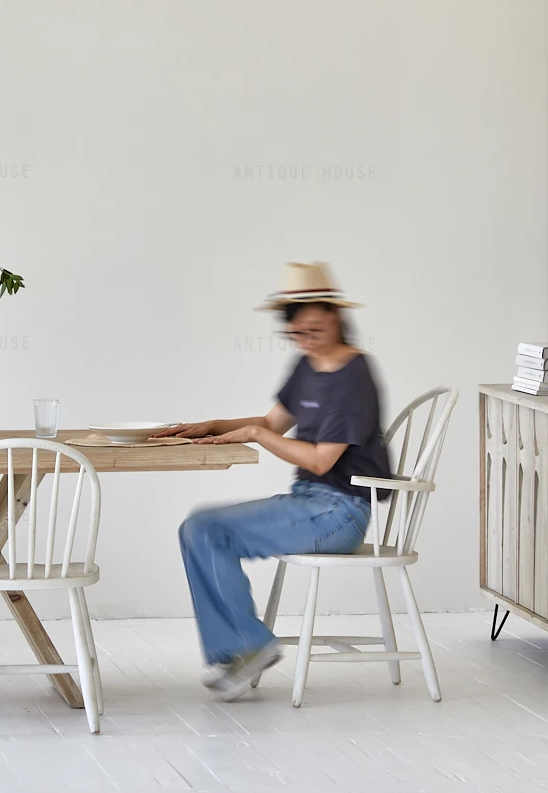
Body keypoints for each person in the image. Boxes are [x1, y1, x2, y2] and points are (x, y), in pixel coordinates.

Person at [159, 262, 390, 701]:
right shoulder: (307, 366)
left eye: (315, 330)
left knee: (206, 529)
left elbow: (320, 461)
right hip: (309, 502)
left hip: (340, 513)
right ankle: (241, 647)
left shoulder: (353, 377)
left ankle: (249, 646)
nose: (306, 339)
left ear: (335, 317)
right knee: (199, 528)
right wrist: (212, 425)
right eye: (298, 333)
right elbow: (272, 423)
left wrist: (255, 435)